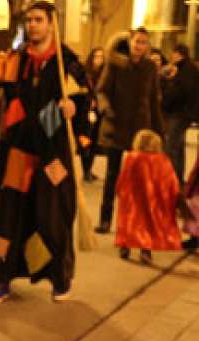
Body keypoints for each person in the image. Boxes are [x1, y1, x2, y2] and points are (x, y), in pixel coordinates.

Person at [0, 2, 88, 303]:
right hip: (17, 151)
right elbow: (4, 95)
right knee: (7, 214)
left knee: (53, 215)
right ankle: (1, 277)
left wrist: (74, 108)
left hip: (52, 153)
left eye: (38, 20)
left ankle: (60, 278)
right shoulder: (17, 60)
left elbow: (84, 103)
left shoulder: (68, 63)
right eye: (29, 20)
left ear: (52, 24)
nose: (32, 26)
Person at [95, 29, 163, 233]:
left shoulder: (150, 68)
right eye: (136, 42)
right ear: (130, 42)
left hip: (140, 129)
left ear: (147, 46)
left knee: (138, 180)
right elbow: (101, 90)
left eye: (143, 43)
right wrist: (105, 108)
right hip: (117, 124)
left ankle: (133, 223)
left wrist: (158, 130)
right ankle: (105, 219)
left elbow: (153, 99)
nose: (139, 46)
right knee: (112, 175)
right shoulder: (116, 64)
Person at [114, 129, 181, 264]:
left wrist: (119, 190)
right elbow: (170, 180)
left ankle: (124, 246)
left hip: (132, 199)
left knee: (128, 223)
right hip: (151, 200)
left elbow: (123, 177)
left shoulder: (132, 157)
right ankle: (145, 251)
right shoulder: (161, 160)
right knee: (146, 226)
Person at [159, 44, 198, 182]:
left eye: (173, 53)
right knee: (178, 147)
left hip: (179, 113)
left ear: (179, 54)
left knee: (171, 147)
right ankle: (178, 178)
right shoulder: (188, 68)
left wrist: (166, 99)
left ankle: (171, 179)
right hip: (184, 113)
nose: (171, 57)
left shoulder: (185, 70)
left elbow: (181, 91)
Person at [80, 48, 105, 182]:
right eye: (96, 56)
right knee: (86, 141)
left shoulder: (104, 74)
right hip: (86, 112)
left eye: (101, 57)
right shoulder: (86, 74)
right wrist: (90, 100)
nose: (99, 60)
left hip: (98, 112)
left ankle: (89, 169)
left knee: (94, 141)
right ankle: (85, 169)